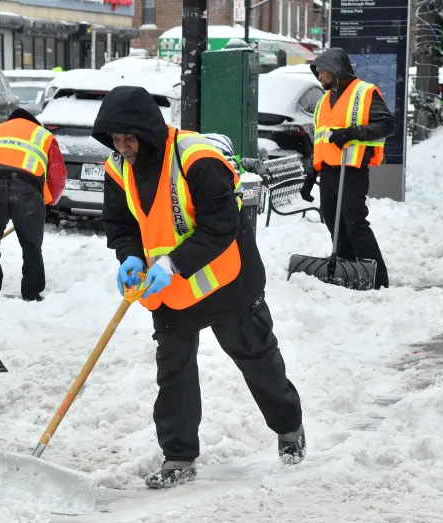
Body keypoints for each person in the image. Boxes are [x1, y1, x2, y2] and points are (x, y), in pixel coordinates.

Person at [92, 85, 305, 490]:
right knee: (174, 373)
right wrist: (130, 256)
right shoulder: (117, 166)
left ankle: (289, 426)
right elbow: (120, 224)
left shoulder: (196, 157)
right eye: (115, 140)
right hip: (170, 291)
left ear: (148, 131)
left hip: (227, 281)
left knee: (258, 359)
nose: (122, 147)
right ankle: (179, 456)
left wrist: (175, 262)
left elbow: (222, 225)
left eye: (129, 138)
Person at [300, 47, 394, 289]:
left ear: (334, 69)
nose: (319, 76)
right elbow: (320, 141)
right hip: (329, 172)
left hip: (352, 170)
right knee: (333, 221)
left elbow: (386, 124)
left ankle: (377, 277)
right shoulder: (323, 101)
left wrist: (351, 134)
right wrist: (311, 175)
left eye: (321, 71)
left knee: (354, 222)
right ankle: (348, 270)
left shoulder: (364, 92)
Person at [0, 108, 67, 301]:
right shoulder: (43, 135)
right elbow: (57, 175)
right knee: (31, 244)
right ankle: (32, 291)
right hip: (27, 189)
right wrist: (47, 203)